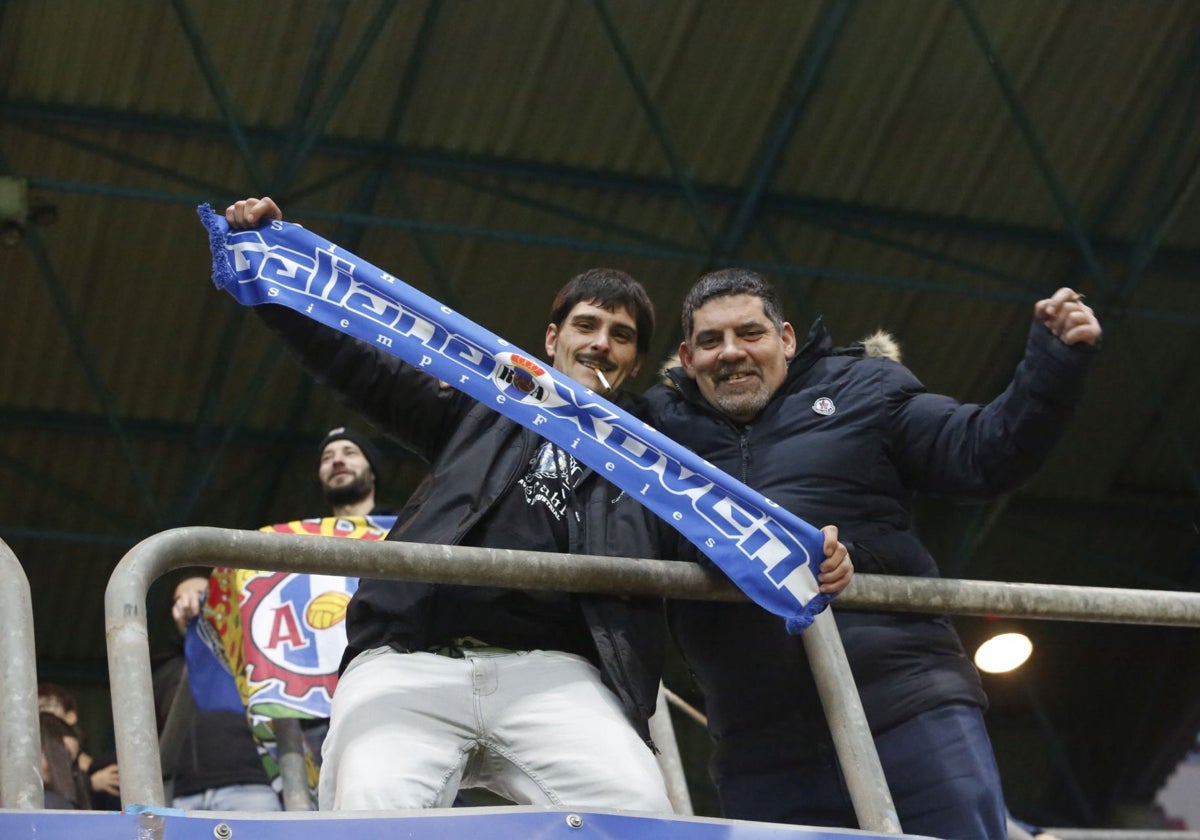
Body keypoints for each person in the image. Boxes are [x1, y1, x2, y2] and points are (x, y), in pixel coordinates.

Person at [221, 196, 853, 812]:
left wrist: (808, 558)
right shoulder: (480, 403)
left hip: (561, 675)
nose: (601, 343)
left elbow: (719, 537)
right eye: (587, 325)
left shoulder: (657, 456)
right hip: (409, 659)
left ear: (636, 362)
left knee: (637, 813)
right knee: (370, 810)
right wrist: (276, 271)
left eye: (622, 336)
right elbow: (359, 363)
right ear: (552, 338)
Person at [646, 268, 1101, 839]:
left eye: (750, 333)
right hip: (758, 748)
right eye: (711, 341)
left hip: (905, 708)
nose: (731, 353)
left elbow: (983, 454)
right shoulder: (656, 432)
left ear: (786, 338)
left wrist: (1052, 363)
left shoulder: (866, 388)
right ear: (687, 358)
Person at [152, 573, 283, 811]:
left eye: (202, 596)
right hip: (181, 796)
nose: (189, 602)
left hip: (250, 786)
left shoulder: (251, 656)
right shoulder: (161, 671)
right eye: (178, 599)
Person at [37, 682, 119, 810]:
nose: (42, 710)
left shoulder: (103, 764)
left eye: (48, 704)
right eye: (37, 706)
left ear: (71, 716)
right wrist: (91, 784)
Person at [317, 426, 387, 517]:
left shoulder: (404, 527)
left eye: (349, 453)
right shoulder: (302, 530)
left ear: (372, 472)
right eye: (327, 458)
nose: (337, 460)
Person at [39, 711, 91, 810]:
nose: (69, 771)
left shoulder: (57, 804)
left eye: (72, 763)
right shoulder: (54, 804)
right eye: (63, 756)